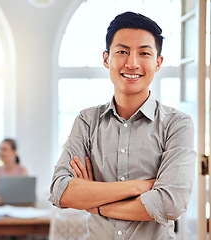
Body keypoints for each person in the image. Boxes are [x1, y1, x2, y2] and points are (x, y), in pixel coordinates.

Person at [49, 11, 196, 239]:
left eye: (144, 53)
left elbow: (170, 204)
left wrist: (95, 203)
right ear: (106, 58)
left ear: (158, 63)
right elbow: (61, 191)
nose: (132, 63)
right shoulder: (87, 122)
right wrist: (139, 187)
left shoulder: (177, 125)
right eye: (122, 51)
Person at [0, 138, 28, 204]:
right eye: (0, 149)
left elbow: (29, 192)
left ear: (14, 152)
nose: (1, 153)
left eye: (4, 149)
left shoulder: (23, 170)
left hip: (19, 208)